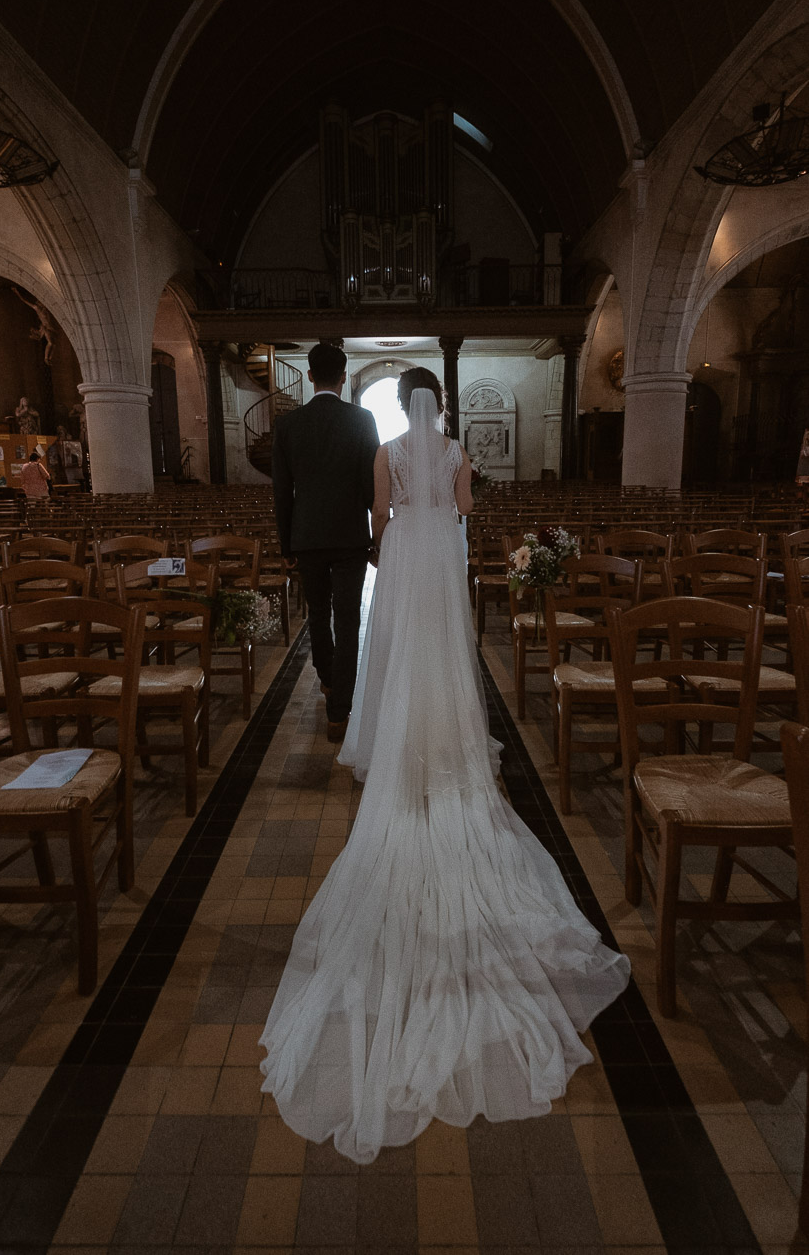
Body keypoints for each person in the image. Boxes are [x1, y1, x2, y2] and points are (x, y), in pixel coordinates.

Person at [260, 368, 630, 1164]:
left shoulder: (388, 449)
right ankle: (448, 746)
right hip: (440, 560)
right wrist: (455, 495)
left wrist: (401, 514)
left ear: (404, 405)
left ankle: (396, 737)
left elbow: (380, 513)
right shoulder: (455, 446)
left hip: (401, 559)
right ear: (445, 407)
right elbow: (462, 510)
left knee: (394, 654)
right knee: (444, 656)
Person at [271, 340, 380, 741]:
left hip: (307, 537)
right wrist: (375, 535)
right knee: (348, 621)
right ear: (345, 375)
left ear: (311, 375)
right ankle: (339, 711)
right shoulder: (363, 419)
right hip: (351, 536)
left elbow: (282, 492)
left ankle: (328, 679)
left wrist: (287, 547)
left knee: (317, 615)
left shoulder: (288, 425)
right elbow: (370, 485)